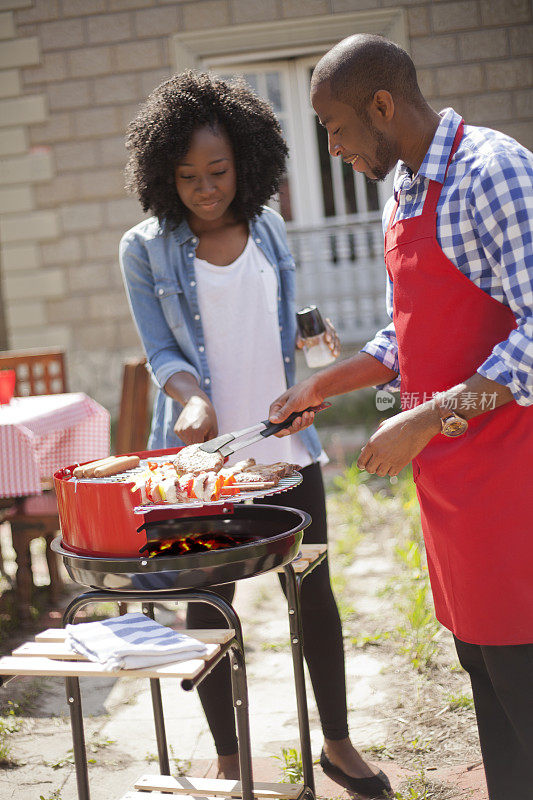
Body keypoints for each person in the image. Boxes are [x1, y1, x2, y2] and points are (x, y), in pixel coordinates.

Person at [268, 34, 533, 800]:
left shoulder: (494, 172)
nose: (332, 146)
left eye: (335, 126)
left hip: (511, 478)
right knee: (481, 669)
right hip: (454, 487)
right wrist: (322, 387)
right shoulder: (404, 191)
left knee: (520, 674)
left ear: (381, 106)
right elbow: (404, 333)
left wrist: (422, 422)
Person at [119, 72, 392, 798]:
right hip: (205, 465)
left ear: (243, 162)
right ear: (161, 174)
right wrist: (188, 401)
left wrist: (313, 343)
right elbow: (163, 352)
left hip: (284, 451)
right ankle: (230, 759)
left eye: (217, 171)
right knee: (211, 607)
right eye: (186, 177)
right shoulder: (144, 249)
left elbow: (277, 319)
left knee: (315, 595)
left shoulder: (267, 226)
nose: (204, 189)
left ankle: (335, 744)